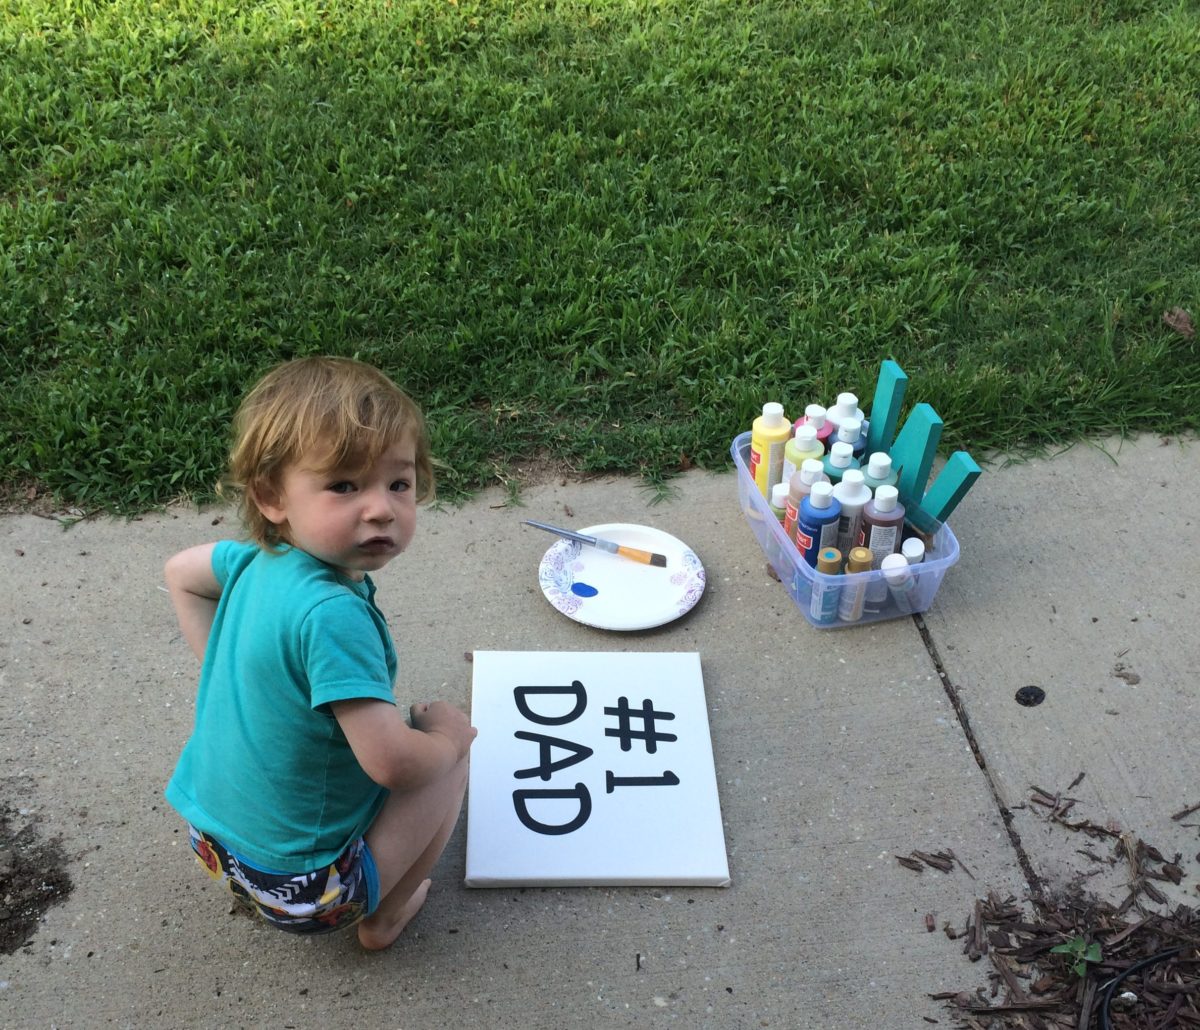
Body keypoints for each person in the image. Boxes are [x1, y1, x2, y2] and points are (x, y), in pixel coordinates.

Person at [163, 355, 476, 950]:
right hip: (305, 890)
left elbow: (181, 574)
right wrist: (446, 739)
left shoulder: (254, 560)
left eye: (398, 483)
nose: (382, 507)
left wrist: (229, 676)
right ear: (270, 497)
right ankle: (383, 918)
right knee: (447, 758)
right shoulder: (332, 616)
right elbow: (392, 765)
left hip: (212, 841)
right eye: (344, 485)